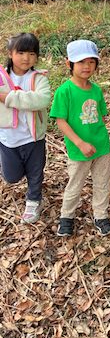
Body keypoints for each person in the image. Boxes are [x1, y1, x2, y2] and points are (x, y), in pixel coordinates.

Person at [50, 39, 110, 237]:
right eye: (81, 62)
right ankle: (66, 217)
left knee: (102, 183)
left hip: (101, 146)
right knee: (75, 184)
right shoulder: (65, 91)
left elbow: (101, 116)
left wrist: (97, 137)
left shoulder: (96, 90)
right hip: (78, 150)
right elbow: (61, 121)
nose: (86, 66)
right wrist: (80, 143)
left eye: (91, 62)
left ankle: (101, 216)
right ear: (69, 64)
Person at [0, 33, 51, 223]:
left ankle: (34, 201)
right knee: (11, 177)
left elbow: (42, 100)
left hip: (33, 137)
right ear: (10, 53)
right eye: (21, 53)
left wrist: (8, 97)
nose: (26, 58)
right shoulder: (2, 77)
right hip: (7, 138)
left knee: (35, 173)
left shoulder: (38, 78)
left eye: (31, 53)